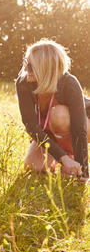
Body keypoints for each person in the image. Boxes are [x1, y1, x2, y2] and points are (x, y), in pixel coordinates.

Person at [16, 39, 89, 181]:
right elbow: (30, 125)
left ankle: (75, 160)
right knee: (34, 167)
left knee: (59, 115)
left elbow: (79, 129)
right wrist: (62, 158)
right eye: (26, 63)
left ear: (45, 67)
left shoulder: (69, 83)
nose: (25, 70)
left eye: (31, 67)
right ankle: (67, 159)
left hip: (82, 125)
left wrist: (83, 172)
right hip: (51, 131)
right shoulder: (23, 83)